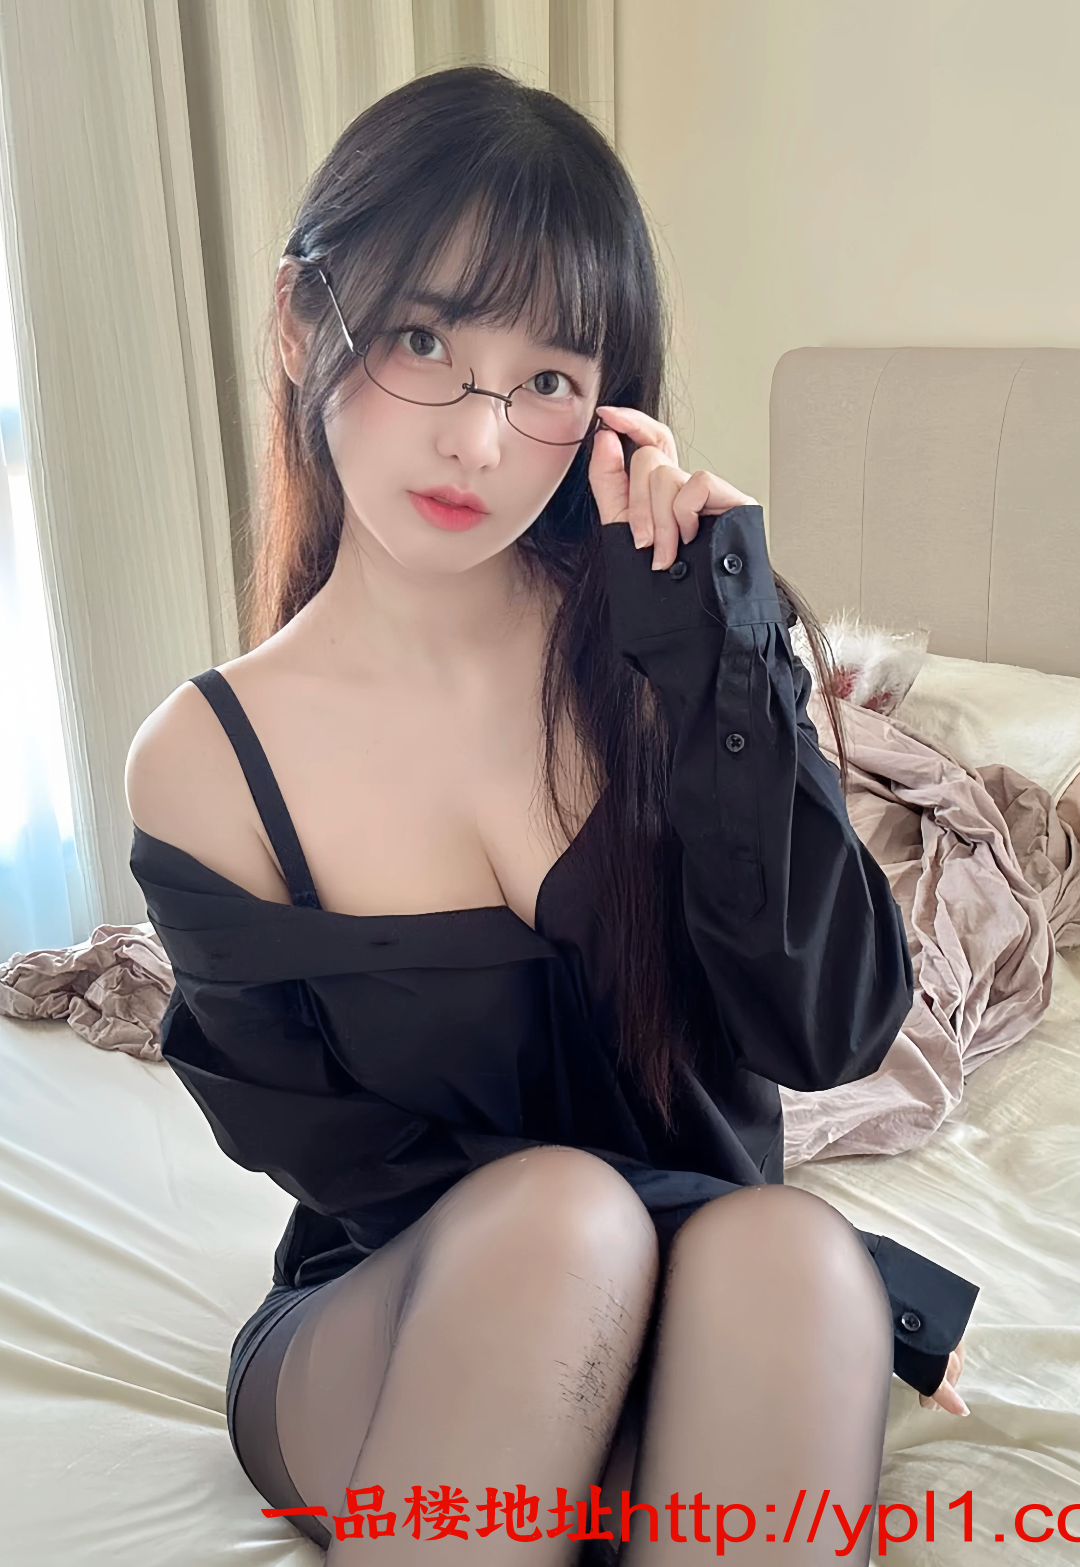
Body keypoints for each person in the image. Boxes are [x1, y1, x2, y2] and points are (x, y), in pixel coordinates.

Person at [126, 65, 976, 1564]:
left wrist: (720, 660)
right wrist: (888, 1288)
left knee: (787, 1256)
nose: (478, 442)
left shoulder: (665, 665)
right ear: (302, 321)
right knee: (569, 1222)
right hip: (395, 1324)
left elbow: (830, 1031)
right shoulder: (209, 761)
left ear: (607, 410)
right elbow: (360, 1168)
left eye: (546, 382)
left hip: (715, 1313)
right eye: (423, 341)